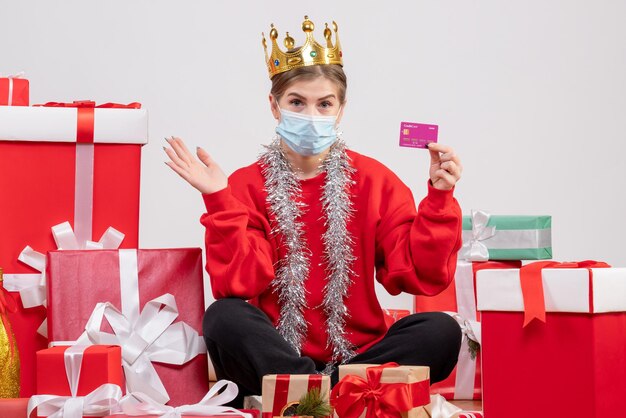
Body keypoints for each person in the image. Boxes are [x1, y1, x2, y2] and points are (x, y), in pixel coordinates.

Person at [164, 16, 463, 403]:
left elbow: (420, 275)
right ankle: (339, 394)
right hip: (273, 355)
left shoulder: (376, 180)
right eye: (296, 103)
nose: (311, 115)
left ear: (340, 109)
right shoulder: (244, 184)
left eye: (324, 104)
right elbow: (239, 284)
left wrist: (439, 199)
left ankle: (311, 394)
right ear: (274, 105)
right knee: (224, 316)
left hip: (360, 355)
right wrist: (220, 198)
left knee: (441, 329)